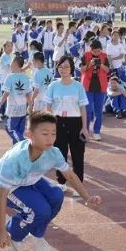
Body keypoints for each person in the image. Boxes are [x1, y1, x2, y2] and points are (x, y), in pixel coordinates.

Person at [0, 112, 102, 251]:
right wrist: (1, 229)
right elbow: (2, 195)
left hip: (30, 179)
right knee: (39, 210)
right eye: (45, 134)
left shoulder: (53, 153)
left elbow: (70, 175)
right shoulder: (17, 158)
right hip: (9, 186)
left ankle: (36, 235)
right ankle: (14, 237)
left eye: (53, 133)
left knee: (56, 195)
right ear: (29, 135)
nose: (50, 138)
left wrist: (86, 197)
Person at [44, 55, 90, 190]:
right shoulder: (53, 85)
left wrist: (84, 127)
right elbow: (48, 107)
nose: (63, 69)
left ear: (71, 69)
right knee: (60, 155)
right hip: (58, 122)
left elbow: (83, 108)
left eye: (66, 67)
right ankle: (61, 182)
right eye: (61, 66)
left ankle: (78, 184)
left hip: (75, 123)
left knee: (77, 155)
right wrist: (50, 126)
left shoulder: (78, 86)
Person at [80, 41, 108, 141]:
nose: (97, 53)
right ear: (91, 50)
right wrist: (90, 64)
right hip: (88, 87)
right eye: (94, 51)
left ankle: (96, 132)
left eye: (98, 51)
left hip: (101, 87)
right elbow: (82, 70)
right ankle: (86, 131)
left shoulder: (104, 56)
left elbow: (108, 70)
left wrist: (101, 65)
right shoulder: (85, 55)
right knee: (87, 111)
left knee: (98, 111)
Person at [1, 55, 32, 144]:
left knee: (10, 129)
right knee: (19, 131)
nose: (10, 64)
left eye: (11, 62)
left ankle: (23, 142)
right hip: (23, 110)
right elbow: (28, 94)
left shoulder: (10, 77)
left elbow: (6, 93)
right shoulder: (25, 77)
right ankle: (18, 149)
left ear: (14, 63)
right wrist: (30, 106)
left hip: (12, 111)